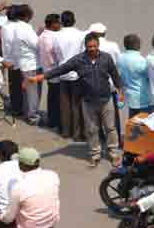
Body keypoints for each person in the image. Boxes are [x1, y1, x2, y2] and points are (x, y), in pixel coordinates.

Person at [29, 32, 124, 167]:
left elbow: (115, 75)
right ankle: (95, 154)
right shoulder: (78, 60)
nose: (92, 49)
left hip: (106, 100)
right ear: (85, 46)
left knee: (110, 128)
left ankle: (113, 153)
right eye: (89, 47)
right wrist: (40, 77)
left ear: (98, 45)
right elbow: (60, 70)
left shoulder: (106, 58)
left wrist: (120, 91)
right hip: (88, 101)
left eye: (94, 46)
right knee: (92, 130)